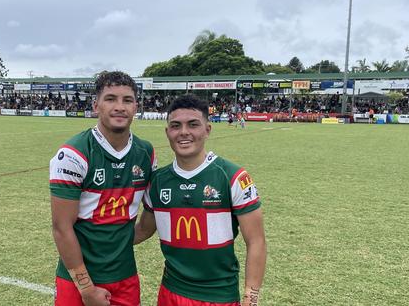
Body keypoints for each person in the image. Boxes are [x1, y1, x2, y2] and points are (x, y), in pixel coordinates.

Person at [135, 94, 266, 306]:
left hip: (218, 296)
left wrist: (251, 300)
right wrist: (98, 241)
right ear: (167, 132)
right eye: (176, 126)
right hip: (170, 292)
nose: (184, 132)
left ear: (207, 129)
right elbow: (143, 229)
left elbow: (256, 241)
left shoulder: (233, 176)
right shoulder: (157, 181)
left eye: (193, 124)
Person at [49, 71, 157, 306]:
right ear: (96, 105)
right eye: (111, 99)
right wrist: (86, 289)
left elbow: (148, 223)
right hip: (77, 281)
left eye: (127, 100)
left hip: (125, 278)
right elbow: (61, 228)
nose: (120, 106)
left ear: (136, 107)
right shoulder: (73, 154)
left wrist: (116, 245)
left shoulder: (146, 153)